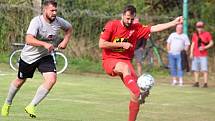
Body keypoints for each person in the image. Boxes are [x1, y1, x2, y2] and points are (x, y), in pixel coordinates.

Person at [99, 5, 183, 121]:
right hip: (110, 60)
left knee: (135, 94)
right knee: (127, 74)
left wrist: (173, 23)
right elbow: (101, 44)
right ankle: (138, 92)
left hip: (126, 61)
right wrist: (122, 44)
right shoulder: (111, 25)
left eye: (132, 19)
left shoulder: (136, 28)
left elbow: (154, 28)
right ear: (123, 15)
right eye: (127, 18)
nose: (129, 21)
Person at [1, 0, 72, 118]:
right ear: (44, 10)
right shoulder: (36, 22)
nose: (54, 13)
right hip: (29, 57)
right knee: (20, 81)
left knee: (52, 79)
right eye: (52, 10)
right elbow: (28, 39)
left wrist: (65, 41)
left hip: (45, 56)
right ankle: (7, 103)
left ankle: (31, 106)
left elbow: (69, 29)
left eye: (56, 10)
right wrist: (44, 44)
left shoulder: (59, 22)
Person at [190, 21, 214, 88]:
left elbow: (211, 43)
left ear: (203, 27)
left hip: (203, 55)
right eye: (198, 27)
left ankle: (205, 83)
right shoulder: (195, 34)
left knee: (204, 69)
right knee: (196, 69)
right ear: (196, 28)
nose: (199, 29)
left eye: (201, 27)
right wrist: (191, 52)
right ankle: (196, 82)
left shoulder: (207, 34)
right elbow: (193, 44)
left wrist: (205, 47)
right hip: (195, 54)